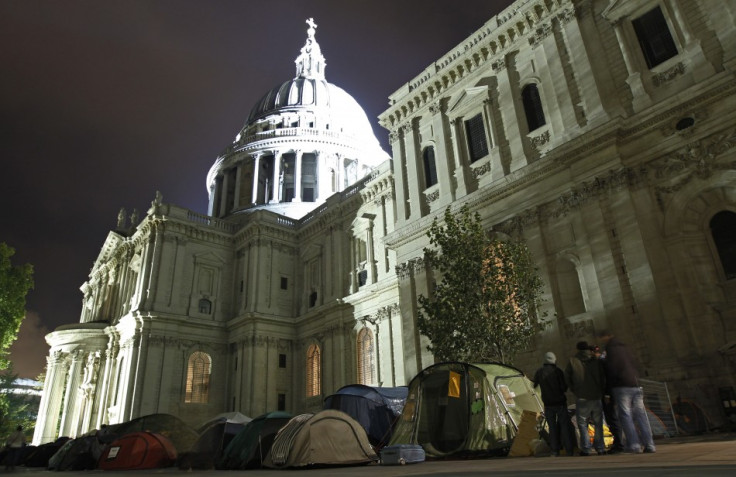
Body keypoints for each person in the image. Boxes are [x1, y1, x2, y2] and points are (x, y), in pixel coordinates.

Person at [598, 329, 656, 454]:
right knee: (641, 415)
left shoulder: (610, 349)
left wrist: (609, 390)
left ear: (606, 337)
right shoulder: (625, 347)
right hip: (635, 384)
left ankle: (634, 444)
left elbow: (611, 369)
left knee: (625, 415)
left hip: (622, 385)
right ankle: (649, 444)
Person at [564, 341, 607, 456]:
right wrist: (601, 390)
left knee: (582, 423)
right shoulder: (595, 360)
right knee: (598, 423)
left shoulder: (573, 361)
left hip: (582, 396)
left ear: (577, 349)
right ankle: (600, 448)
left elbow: (567, 377)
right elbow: (603, 377)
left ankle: (586, 448)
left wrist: (575, 390)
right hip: (596, 395)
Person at [533, 351, 574, 456]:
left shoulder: (540, 372)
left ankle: (554, 450)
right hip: (560, 403)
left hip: (548, 403)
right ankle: (569, 450)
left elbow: (534, 384)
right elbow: (564, 387)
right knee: (564, 426)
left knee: (552, 427)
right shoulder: (558, 371)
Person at [592, 344, 625, 453]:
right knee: (612, 418)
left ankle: (619, 444)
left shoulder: (601, 363)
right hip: (610, 394)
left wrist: (607, 394)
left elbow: (606, 379)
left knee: (612, 418)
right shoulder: (604, 360)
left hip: (608, 395)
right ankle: (618, 443)